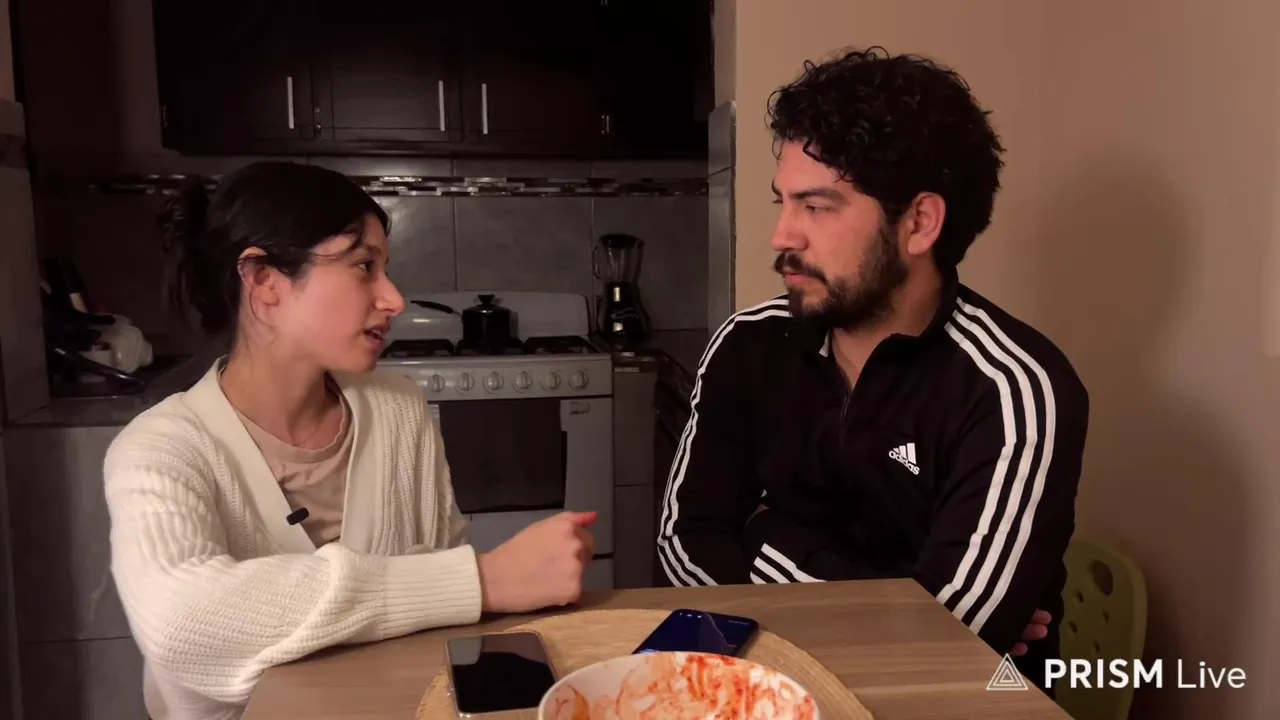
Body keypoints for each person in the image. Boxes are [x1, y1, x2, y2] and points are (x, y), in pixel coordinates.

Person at [656, 47, 1088, 691]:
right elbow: (685, 548)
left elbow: (951, 641)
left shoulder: (1014, 389)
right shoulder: (747, 346)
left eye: (816, 206)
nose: (782, 236)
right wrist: (892, 594)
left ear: (919, 223)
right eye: (783, 203)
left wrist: (764, 537)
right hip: (773, 690)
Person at [104, 161, 596, 720]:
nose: (394, 299)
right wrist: (481, 580)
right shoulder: (160, 449)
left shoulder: (397, 410)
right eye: (364, 266)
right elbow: (183, 624)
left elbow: (440, 621)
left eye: (385, 269)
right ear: (264, 283)